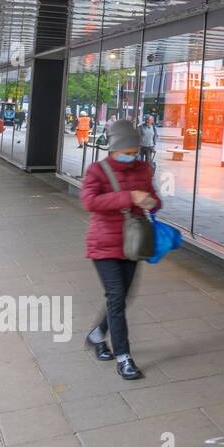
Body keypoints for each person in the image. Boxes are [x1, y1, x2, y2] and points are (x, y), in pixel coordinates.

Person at [80, 119, 161, 380]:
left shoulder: (143, 169)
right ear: (113, 149)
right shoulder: (97, 171)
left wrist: (151, 202)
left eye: (135, 152)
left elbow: (153, 198)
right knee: (116, 297)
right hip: (103, 244)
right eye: (127, 153)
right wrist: (129, 197)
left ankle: (96, 335)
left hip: (132, 243)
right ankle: (124, 357)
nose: (132, 157)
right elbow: (89, 201)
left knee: (124, 297)